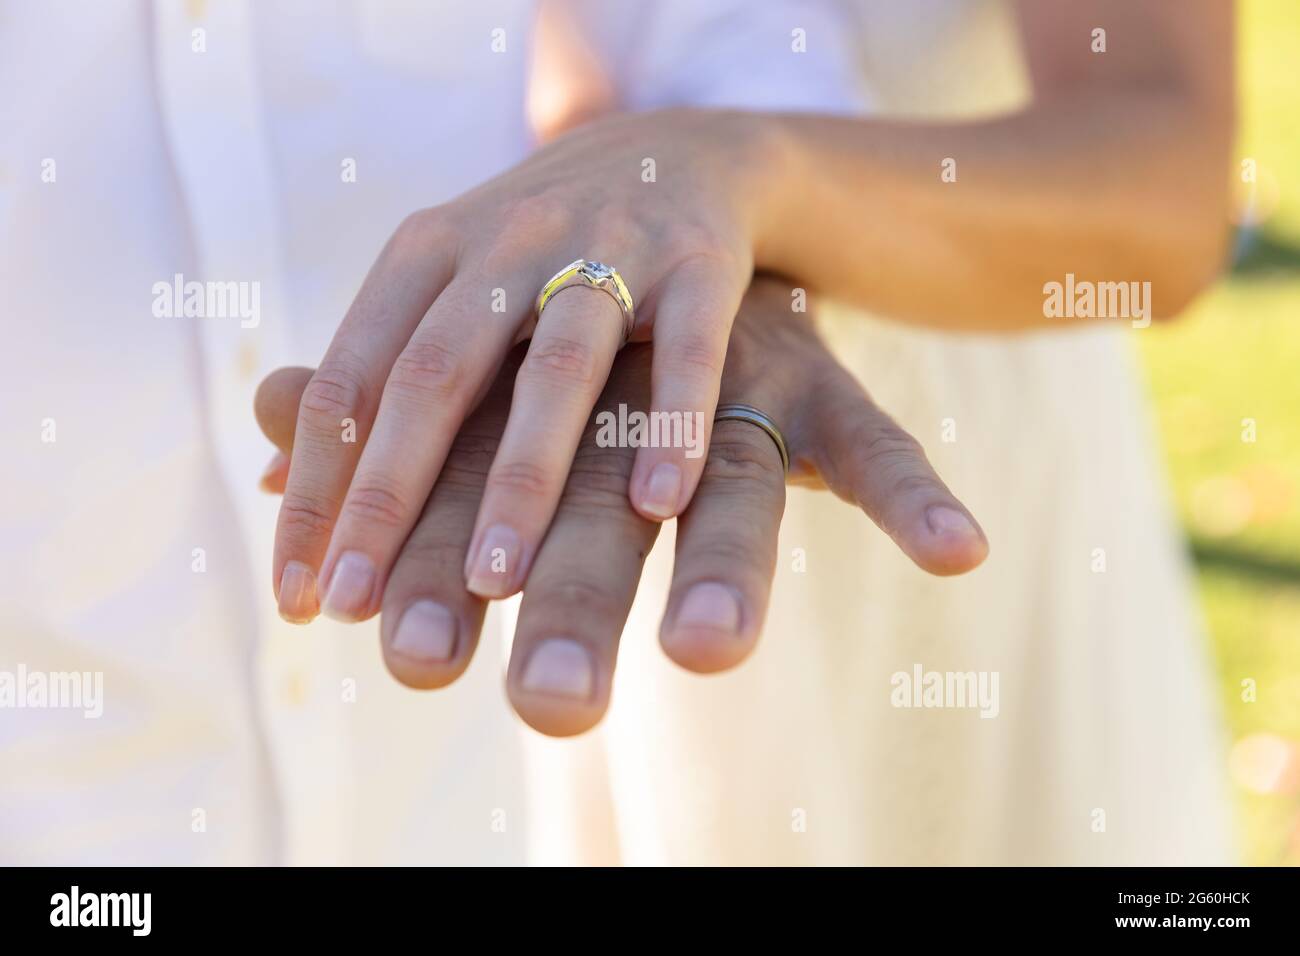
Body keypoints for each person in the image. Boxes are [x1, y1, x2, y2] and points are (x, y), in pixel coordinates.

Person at [0, 0, 1233, 866]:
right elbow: (609, 62)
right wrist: (653, 207)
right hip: (609, 450)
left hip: (862, 412)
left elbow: (1158, 175)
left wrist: (729, 197)